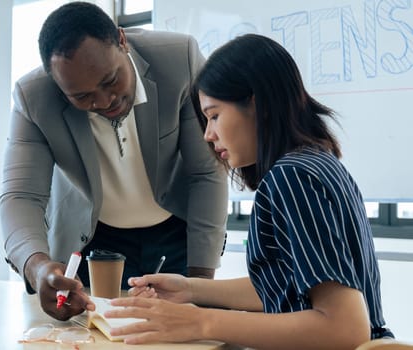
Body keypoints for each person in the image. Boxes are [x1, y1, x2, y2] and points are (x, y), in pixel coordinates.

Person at [104, 33, 394, 348]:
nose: (208, 135)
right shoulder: (317, 164)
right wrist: (191, 289)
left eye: (214, 115)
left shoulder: (291, 178)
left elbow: (345, 328)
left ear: (258, 104)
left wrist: (201, 322)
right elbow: (291, 286)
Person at [0, 2, 228, 321]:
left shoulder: (180, 59)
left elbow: (206, 172)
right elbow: (20, 195)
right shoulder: (32, 96)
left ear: (122, 41)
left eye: (110, 81)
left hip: (176, 233)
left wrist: (202, 283)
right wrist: (38, 268)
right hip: (93, 241)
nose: (104, 102)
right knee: (93, 334)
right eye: (82, 97)